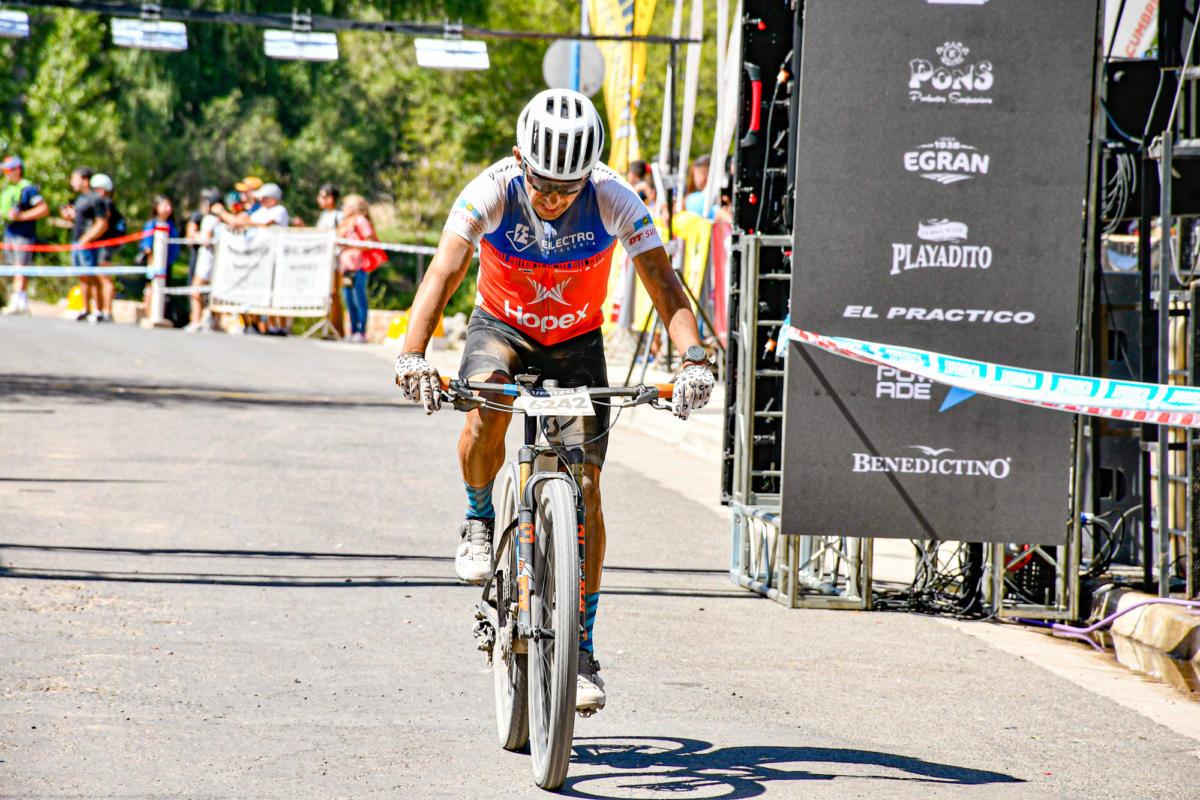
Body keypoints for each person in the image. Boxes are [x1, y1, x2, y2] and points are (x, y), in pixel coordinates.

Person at [394, 89, 715, 714]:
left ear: (589, 174)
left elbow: (661, 281)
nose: (553, 199)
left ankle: (583, 647)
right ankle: (478, 517)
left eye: (569, 188)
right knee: (487, 403)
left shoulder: (615, 197)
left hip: (576, 344)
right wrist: (413, 353)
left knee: (587, 489)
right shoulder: (490, 190)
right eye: (542, 184)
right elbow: (445, 271)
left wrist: (695, 360)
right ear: (521, 161)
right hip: (501, 331)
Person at [1, 155, 50, 316]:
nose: (6, 173)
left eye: (8, 170)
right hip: (10, 232)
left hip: (23, 234)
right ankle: (20, 300)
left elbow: (43, 209)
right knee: (14, 267)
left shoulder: (28, 188)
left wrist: (22, 216)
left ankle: (18, 301)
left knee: (20, 267)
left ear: (18, 170)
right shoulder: (9, 188)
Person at [336, 193, 385, 343]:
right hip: (346, 267)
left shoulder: (360, 221)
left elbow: (369, 242)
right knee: (348, 300)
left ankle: (361, 332)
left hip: (358, 267)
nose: (343, 208)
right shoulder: (345, 222)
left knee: (359, 300)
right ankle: (353, 330)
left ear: (354, 207)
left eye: (346, 205)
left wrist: (350, 245)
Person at [246, 183, 289, 335]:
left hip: (275, 257)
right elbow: (247, 221)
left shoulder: (280, 210)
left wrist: (249, 223)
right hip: (259, 257)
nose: (261, 200)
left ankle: (279, 325)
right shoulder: (260, 212)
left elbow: (266, 224)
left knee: (276, 292)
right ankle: (255, 323)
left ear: (273, 199)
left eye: (264, 198)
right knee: (257, 290)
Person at [73, 174, 114, 323]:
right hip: (83, 242)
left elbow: (102, 223)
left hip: (99, 244)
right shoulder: (82, 199)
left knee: (99, 276)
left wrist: (86, 239)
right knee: (84, 275)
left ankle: (102, 310)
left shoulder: (102, 201)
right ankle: (87, 309)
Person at [139, 194, 181, 320]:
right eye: (165, 205)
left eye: (169, 205)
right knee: (151, 287)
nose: (168, 208)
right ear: (157, 207)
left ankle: (160, 314)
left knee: (163, 288)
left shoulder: (171, 225)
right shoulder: (152, 223)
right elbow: (147, 245)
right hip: (154, 262)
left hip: (167, 263)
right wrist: (151, 261)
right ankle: (148, 314)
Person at [186, 190, 223, 331]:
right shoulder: (221, 220)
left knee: (196, 289)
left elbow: (206, 239)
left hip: (207, 258)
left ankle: (196, 320)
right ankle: (211, 322)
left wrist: (196, 237)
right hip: (219, 260)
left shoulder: (209, 219)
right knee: (212, 292)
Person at [315, 183, 345, 337]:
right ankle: (328, 327)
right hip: (324, 261)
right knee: (326, 295)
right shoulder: (324, 215)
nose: (319, 199)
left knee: (334, 295)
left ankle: (337, 329)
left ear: (331, 198)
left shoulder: (339, 216)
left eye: (322, 196)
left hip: (335, 262)